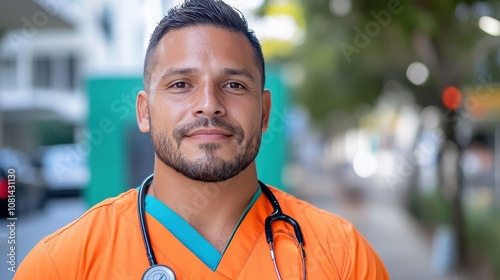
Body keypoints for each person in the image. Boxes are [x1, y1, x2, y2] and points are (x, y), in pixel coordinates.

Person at [15, 0, 389, 279]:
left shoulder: (343, 257)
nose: (209, 105)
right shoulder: (63, 263)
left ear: (264, 112)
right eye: (181, 85)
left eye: (233, 84)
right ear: (144, 112)